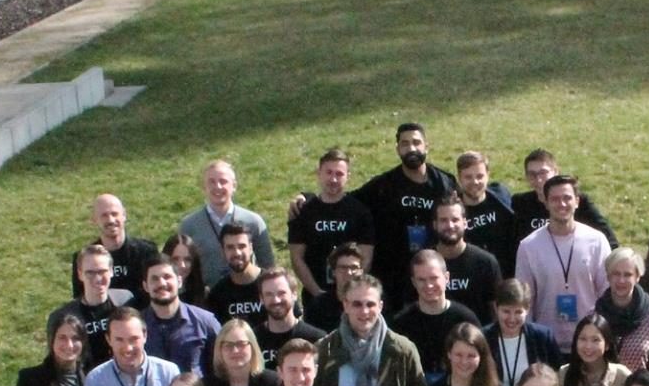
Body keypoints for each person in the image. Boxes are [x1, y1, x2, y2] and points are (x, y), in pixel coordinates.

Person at [354, 121, 455, 296]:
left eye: (416, 142)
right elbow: (348, 201)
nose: (411, 148)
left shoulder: (444, 183)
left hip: (431, 273)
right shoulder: (383, 186)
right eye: (405, 144)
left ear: (426, 147)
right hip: (392, 275)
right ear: (398, 149)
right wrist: (308, 198)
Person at [316, 273, 424, 386]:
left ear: (380, 306)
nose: (364, 311)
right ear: (345, 305)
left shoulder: (403, 351)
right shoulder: (326, 349)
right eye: (357, 304)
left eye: (370, 304)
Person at [516, 174, 612, 331]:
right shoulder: (529, 246)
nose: (562, 204)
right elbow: (525, 299)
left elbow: (606, 291)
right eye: (555, 199)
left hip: (588, 337)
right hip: (546, 337)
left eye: (567, 198)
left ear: (577, 201)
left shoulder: (596, 241)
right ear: (545, 203)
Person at [289, 149, 375, 309]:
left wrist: (351, 292)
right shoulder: (304, 211)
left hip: (352, 299)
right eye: (329, 172)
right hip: (315, 296)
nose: (333, 179)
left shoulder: (360, 212)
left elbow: (366, 258)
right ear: (319, 173)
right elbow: (296, 258)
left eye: (339, 174)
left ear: (348, 176)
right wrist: (317, 293)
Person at [391, 251, 481, 377]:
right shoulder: (400, 323)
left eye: (434, 278)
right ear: (413, 282)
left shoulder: (466, 320)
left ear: (446, 278)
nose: (429, 285)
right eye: (421, 280)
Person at [181, 158, 275, 277]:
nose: (218, 186)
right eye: (211, 182)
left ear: (234, 186)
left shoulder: (253, 222)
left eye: (223, 181)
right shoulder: (189, 226)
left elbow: (268, 267)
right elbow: (182, 269)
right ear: (204, 187)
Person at [511, 149, 618, 248]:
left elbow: (610, 241)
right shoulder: (520, 203)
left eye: (543, 173)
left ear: (555, 172)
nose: (538, 179)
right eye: (532, 174)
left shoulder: (576, 202)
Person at [71, 193, 160, 309]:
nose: (111, 220)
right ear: (94, 220)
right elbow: (80, 300)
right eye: (104, 215)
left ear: (124, 215)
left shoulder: (146, 252)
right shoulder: (85, 259)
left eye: (114, 214)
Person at [485, 280, 565, 386]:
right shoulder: (484, 338)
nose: (512, 319)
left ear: (527, 309)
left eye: (518, 312)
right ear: (496, 308)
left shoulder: (542, 337)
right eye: (506, 311)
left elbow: (557, 378)